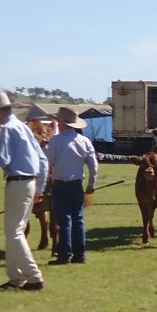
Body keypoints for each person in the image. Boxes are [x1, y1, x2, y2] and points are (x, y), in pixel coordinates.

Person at [0, 92, 47, 291]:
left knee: (13, 233)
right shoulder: (22, 126)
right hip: (29, 183)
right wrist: (40, 186)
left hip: (18, 182)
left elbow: (3, 160)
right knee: (15, 232)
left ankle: (33, 276)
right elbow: (42, 159)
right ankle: (16, 278)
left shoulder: (8, 129)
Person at [43, 107, 98, 265]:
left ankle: (64, 255)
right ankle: (80, 255)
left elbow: (47, 162)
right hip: (77, 185)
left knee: (64, 220)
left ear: (61, 123)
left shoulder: (56, 141)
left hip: (60, 185)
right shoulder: (85, 141)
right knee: (78, 219)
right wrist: (91, 184)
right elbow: (93, 166)